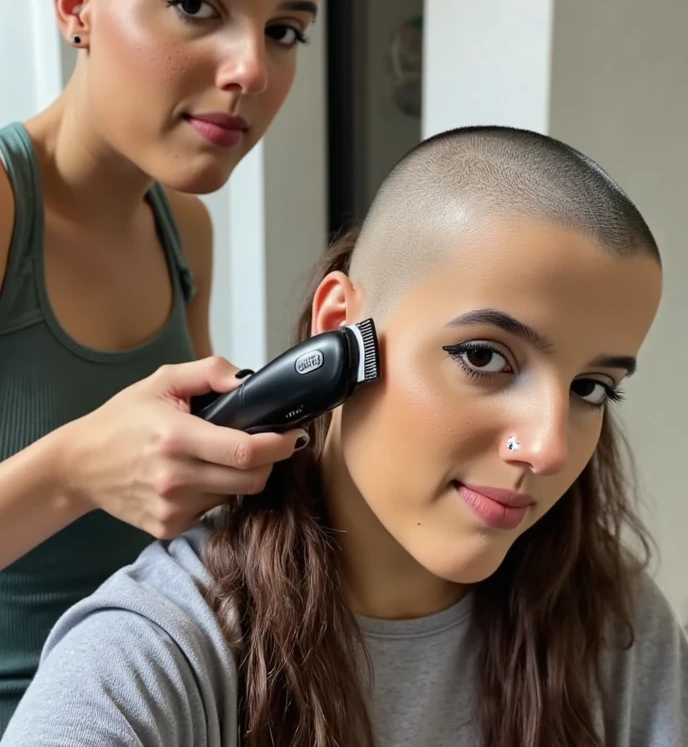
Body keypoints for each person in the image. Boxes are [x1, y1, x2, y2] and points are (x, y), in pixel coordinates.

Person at [2, 125, 686, 747]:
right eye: (483, 356)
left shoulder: (616, 632)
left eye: (591, 388)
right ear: (339, 327)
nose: (549, 448)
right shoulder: (153, 655)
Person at [0, 0, 332, 730]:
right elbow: (97, 476)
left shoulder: (184, 226)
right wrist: (76, 469)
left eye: (286, 29)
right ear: (79, 2)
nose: (252, 69)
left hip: (162, 698)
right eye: (196, 5)